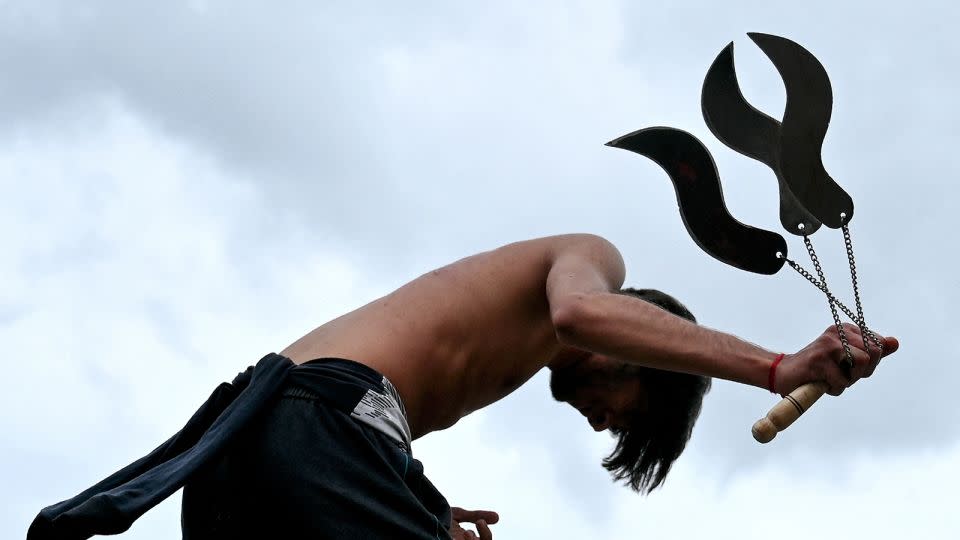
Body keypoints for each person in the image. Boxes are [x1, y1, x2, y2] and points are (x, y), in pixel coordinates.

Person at [29, 234, 897, 539]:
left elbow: (366, 407)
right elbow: (582, 320)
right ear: (654, 361)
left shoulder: (504, 349)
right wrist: (776, 369)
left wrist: (421, 503)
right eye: (621, 419)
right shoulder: (590, 262)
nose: (598, 423)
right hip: (308, 419)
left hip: (251, 444)